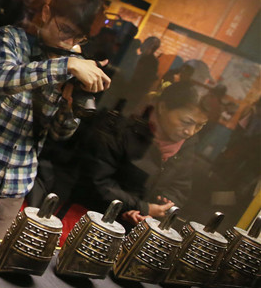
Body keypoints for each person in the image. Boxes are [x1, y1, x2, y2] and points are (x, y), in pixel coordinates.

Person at [0, 0, 111, 238]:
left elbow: (60, 134)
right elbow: (3, 78)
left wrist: (71, 105)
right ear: (46, 13)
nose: (70, 42)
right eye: (66, 30)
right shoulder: (12, 38)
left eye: (79, 38)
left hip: (14, 186)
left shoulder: (70, 64)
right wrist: (66, 65)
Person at [73, 81, 221, 227]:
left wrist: (155, 213)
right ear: (162, 108)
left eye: (200, 125)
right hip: (89, 217)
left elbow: (179, 188)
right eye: (186, 121)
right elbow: (96, 181)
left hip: (138, 226)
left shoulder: (186, 145)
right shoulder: (122, 129)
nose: (190, 132)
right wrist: (143, 207)